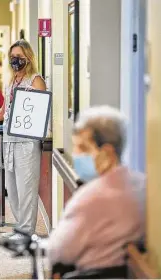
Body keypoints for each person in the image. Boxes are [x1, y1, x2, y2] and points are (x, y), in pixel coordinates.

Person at [45, 106, 145, 273]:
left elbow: (58, 253)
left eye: (83, 148)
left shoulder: (89, 198)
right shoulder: (143, 187)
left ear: (107, 152)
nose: (75, 154)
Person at [0, 40, 46, 239]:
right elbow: (5, 109)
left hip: (26, 142)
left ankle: (26, 231)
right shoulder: (11, 80)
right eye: (13, 57)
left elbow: (39, 111)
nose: (16, 60)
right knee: (12, 189)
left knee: (26, 188)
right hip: (8, 139)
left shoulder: (35, 80)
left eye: (20, 57)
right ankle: (20, 228)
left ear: (28, 58)